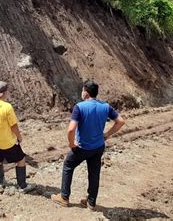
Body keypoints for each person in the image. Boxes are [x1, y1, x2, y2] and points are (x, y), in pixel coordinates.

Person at [52, 80, 125, 210]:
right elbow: (120, 121)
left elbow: (70, 129)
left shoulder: (79, 107)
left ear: (85, 93)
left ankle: (64, 197)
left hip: (82, 148)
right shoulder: (105, 106)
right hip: (98, 147)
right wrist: (107, 134)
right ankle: (91, 202)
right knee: (94, 173)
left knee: (68, 165)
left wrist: (71, 143)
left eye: (82, 90)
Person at [0, 81, 35, 193]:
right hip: (8, 141)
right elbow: (14, 126)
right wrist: (19, 137)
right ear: (4, 93)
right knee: (21, 159)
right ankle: (22, 186)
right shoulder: (7, 107)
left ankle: (1, 183)